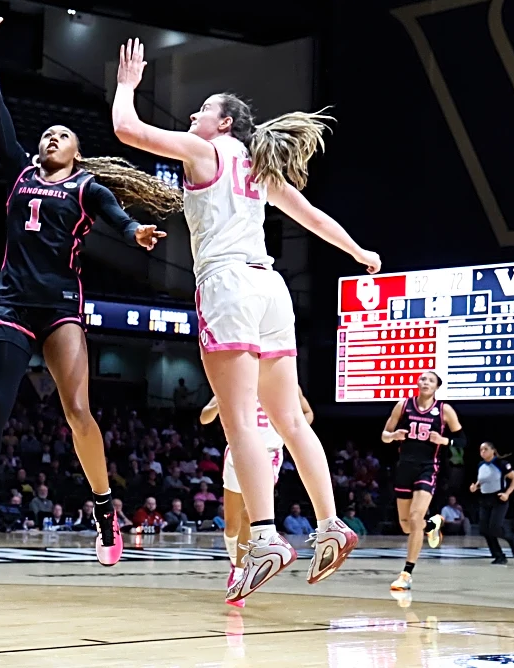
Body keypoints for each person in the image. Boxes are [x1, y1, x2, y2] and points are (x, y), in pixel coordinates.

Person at [113, 40, 379, 602]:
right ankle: (330, 524)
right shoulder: (261, 168)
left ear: (224, 121)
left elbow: (127, 130)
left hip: (229, 285)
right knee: (288, 419)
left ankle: (264, 537)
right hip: (271, 288)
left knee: (240, 423)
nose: (192, 116)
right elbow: (313, 218)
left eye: (202, 109)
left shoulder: (203, 151)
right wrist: (359, 254)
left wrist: (127, 85)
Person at [0, 0, 180, 565]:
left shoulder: (86, 187)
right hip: (11, 302)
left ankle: (106, 515)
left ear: (77, 153)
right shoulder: (19, 171)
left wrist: (137, 236)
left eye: (62, 134)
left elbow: (120, 219)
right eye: (46, 134)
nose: (51, 136)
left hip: (60, 306)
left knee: (77, 410)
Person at [200, 386, 313, 607]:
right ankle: (235, 564)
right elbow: (204, 418)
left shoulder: (283, 378)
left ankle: (241, 573)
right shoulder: (238, 376)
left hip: (269, 454)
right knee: (231, 525)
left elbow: (308, 413)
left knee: (247, 515)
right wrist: (217, 404)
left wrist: (289, 431)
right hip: (237, 452)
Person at [381, 371, 466, 591]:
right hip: (404, 468)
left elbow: (463, 440)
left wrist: (444, 440)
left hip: (428, 468)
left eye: (430, 380)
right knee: (407, 526)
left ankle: (406, 574)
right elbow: (384, 434)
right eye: (423, 379)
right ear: (418, 384)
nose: (425, 382)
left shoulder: (445, 410)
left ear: (437, 386)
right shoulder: (403, 405)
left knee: (415, 515)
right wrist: (393, 436)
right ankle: (432, 524)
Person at [469, 442, 514, 564]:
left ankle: (511, 538)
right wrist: (475, 486)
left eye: (486, 449)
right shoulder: (480, 465)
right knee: (484, 529)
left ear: (493, 451)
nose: (483, 452)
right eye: (481, 450)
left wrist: (507, 494)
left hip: (499, 498)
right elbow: (482, 480)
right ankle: (499, 555)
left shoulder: (502, 464)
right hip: (485, 499)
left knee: (495, 527)